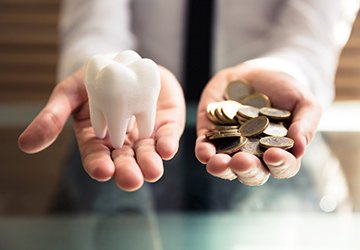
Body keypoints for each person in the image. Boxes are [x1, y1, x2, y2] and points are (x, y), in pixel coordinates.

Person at [18, 0, 359, 212]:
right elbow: (94, 21)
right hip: (140, 121)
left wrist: (287, 74)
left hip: (288, 199)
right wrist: (98, 67)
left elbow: (312, 33)